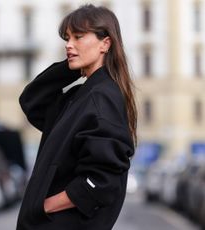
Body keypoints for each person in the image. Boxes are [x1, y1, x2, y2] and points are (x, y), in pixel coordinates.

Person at [16, 4, 137, 230]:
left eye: (79, 37)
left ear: (105, 43)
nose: (69, 45)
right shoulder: (82, 95)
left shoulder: (102, 98)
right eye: (67, 38)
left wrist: (43, 206)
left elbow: (102, 182)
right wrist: (73, 65)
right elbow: (32, 102)